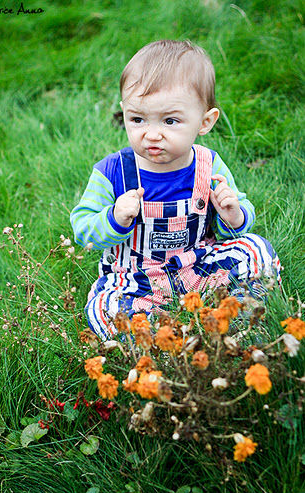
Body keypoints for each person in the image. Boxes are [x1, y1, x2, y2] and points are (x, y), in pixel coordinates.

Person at [71, 40, 281, 340]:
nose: (152, 134)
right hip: (136, 278)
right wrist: (114, 217)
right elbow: (82, 228)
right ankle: (156, 345)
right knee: (106, 307)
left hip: (197, 264)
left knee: (255, 249)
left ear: (205, 122)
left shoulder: (209, 166)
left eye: (170, 121)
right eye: (137, 119)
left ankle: (241, 322)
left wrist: (232, 214)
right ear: (124, 112)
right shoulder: (112, 171)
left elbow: (236, 224)